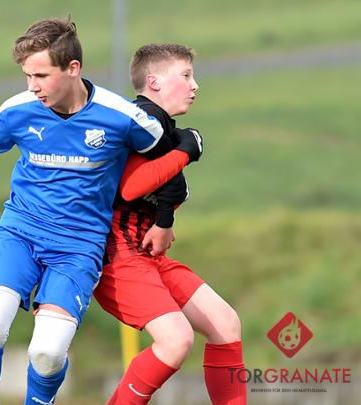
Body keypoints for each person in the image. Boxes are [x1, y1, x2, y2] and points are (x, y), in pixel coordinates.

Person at [0, 20, 202, 405]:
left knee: (47, 355)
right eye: (27, 75)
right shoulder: (17, 110)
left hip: (79, 248)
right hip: (20, 233)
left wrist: (165, 219)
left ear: (73, 68)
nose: (32, 86)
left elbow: (168, 165)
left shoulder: (120, 116)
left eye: (41, 75)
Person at [93, 44, 247, 405]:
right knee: (176, 341)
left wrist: (164, 219)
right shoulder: (143, 120)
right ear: (154, 82)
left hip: (147, 254)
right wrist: (186, 152)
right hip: (118, 256)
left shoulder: (162, 128)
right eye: (186, 75)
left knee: (225, 324)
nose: (195, 85)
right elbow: (132, 187)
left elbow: (160, 186)